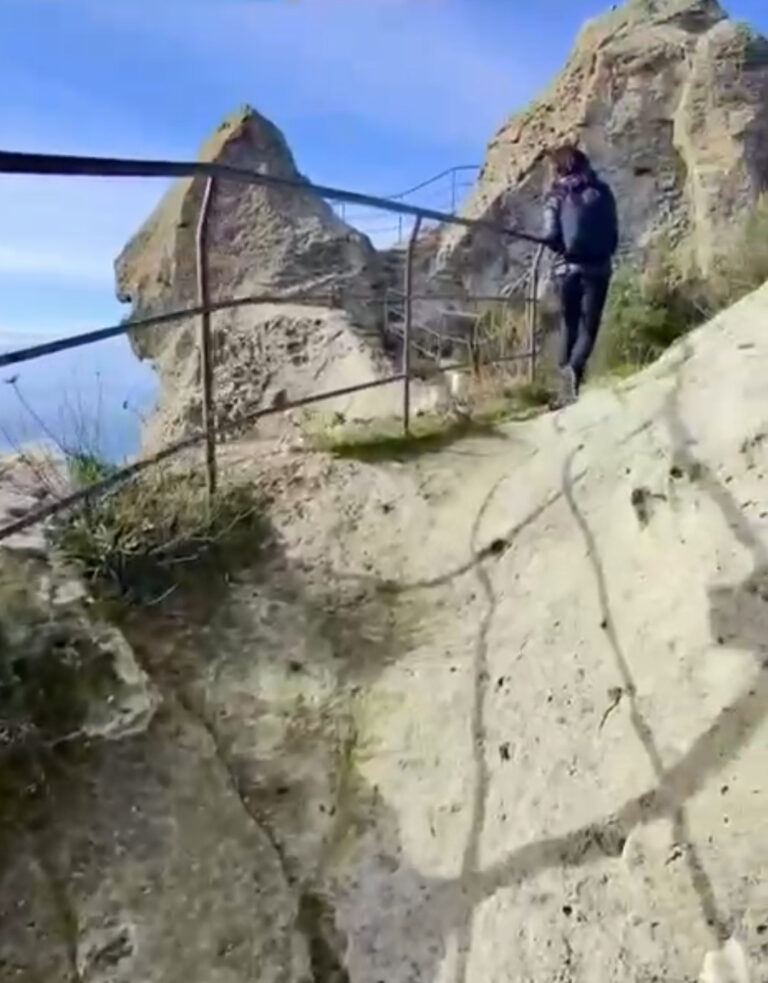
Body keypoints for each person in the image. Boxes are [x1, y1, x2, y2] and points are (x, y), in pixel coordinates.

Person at [542, 144, 618, 405]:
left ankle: (564, 388)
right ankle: (573, 374)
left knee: (570, 325)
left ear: (559, 168)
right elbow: (613, 232)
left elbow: (551, 235)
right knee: (588, 330)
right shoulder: (603, 191)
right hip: (599, 269)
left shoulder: (557, 194)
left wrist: (558, 245)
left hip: (567, 270)